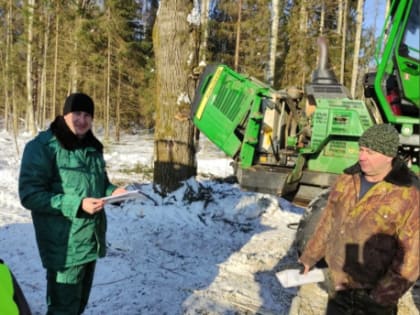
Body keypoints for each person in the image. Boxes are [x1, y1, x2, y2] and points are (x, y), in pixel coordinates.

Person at [18, 92, 127, 315]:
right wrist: (76, 205)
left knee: (77, 306)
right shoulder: (43, 147)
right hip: (63, 246)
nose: (82, 120)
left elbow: (100, 184)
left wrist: (114, 193)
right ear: (65, 114)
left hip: (89, 241)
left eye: (87, 115)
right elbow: (30, 194)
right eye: (76, 113)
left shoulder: (92, 148)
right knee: (62, 309)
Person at [299, 123, 419, 315]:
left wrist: (381, 297)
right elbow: (328, 220)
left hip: (374, 298)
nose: (362, 157)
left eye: (370, 152)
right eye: (361, 149)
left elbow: (411, 259)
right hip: (338, 286)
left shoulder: (407, 195)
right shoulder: (347, 179)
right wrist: (309, 257)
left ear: (388, 155)